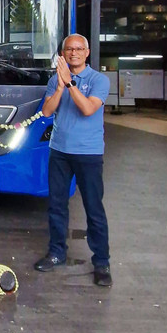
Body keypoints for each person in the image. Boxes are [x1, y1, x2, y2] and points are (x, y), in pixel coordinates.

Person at [34, 33, 112, 287]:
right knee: (56, 205)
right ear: (63, 54)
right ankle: (57, 253)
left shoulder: (99, 80)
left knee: (93, 208)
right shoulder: (55, 80)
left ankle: (101, 262)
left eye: (79, 49)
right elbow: (47, 111)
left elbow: (88, 108)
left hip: (88, 154)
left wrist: (70, 85)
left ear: (86, 53)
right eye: (69, 49)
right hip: (59, 152)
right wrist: (59, 86)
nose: (74, 53)